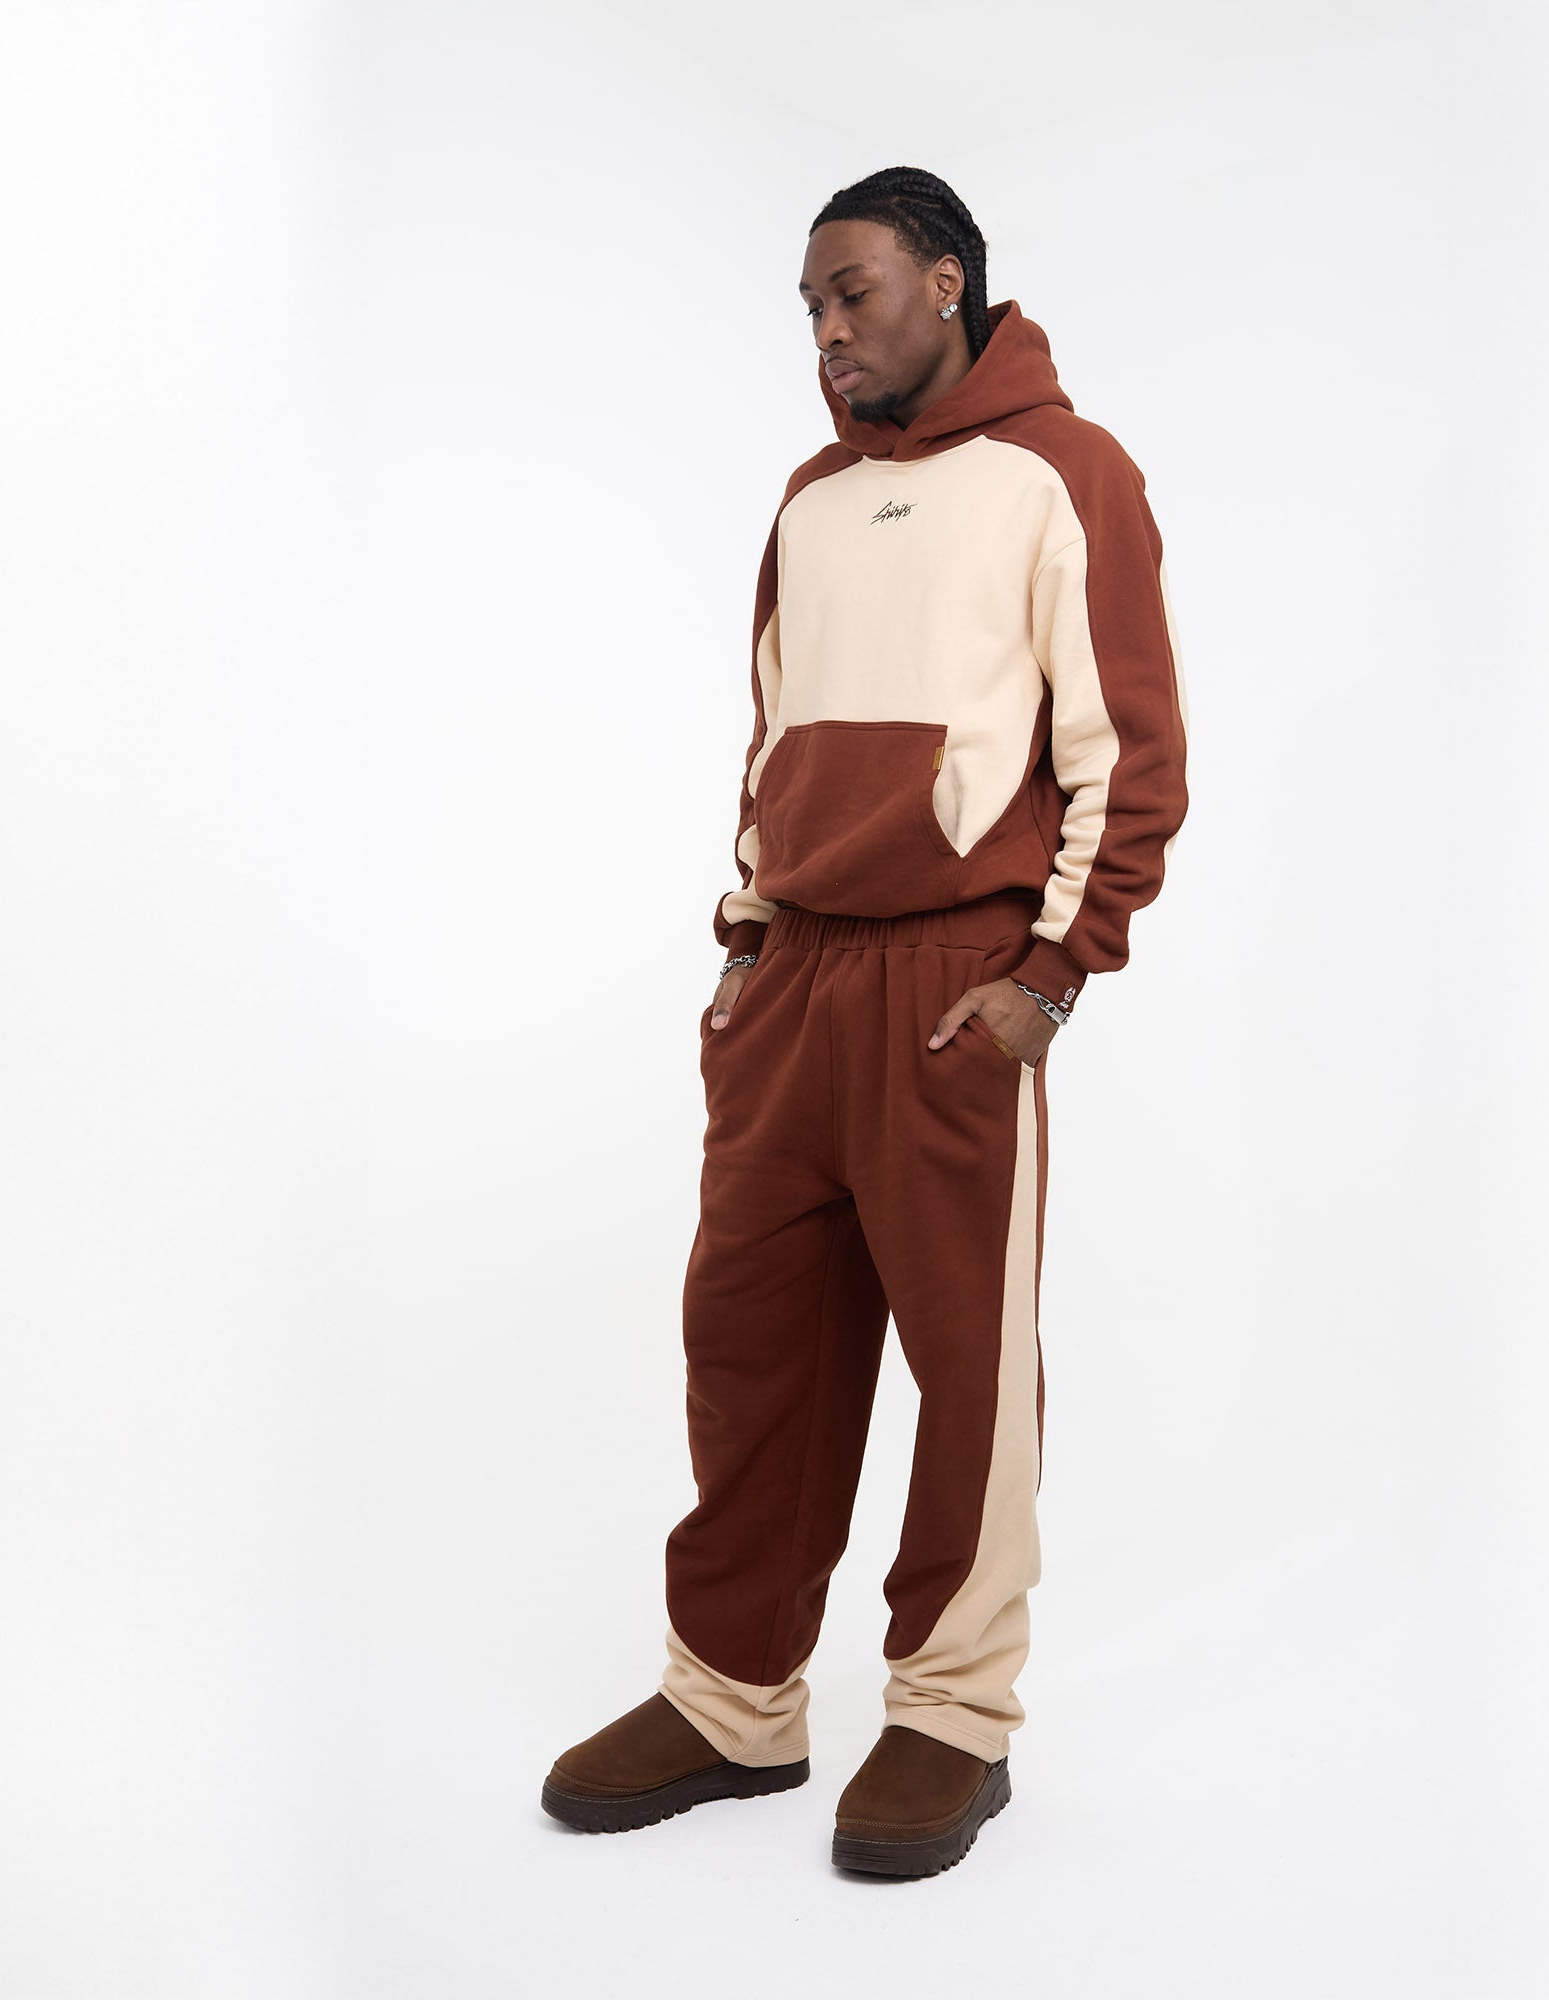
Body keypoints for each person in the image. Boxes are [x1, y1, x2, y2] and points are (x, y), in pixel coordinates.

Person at [540, 165, 1190, 1877]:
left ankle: (953, 1713)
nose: (829, 333)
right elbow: (773, 739)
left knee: (968, 1366)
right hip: (796, 982)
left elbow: (1129, 755)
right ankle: (732, 1698)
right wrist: (747, 945)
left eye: (857, 294)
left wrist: (1049, 976)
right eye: (811, 309)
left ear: (948, 282)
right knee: (750, 1343)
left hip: (953, 980)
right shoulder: (811, 502)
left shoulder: (1067, 472)